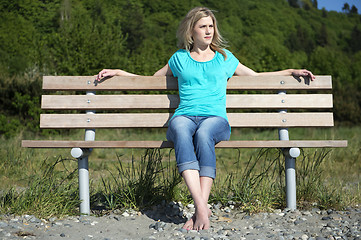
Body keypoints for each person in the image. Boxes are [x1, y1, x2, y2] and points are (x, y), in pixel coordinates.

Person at [96, 7, 315, 231]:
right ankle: (202, 208)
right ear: (192, 31)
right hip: (185, 116)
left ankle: (199, 209)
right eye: (203, 26)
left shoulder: (224, 58)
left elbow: (256, 77)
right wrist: (119, 73)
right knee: (180, 127)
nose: (208, 31)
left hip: (215, 119)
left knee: (203, 134)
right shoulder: (179, 58)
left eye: (211, 26)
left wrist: (290, 71)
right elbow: (148, 81)